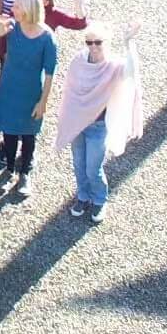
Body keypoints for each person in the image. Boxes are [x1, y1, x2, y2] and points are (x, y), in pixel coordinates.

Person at [54, 21, 143, 223]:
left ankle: (99, 200)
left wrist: (129, 43)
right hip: (77, 123)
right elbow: (71, 91)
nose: (93, 46)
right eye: (89, 42)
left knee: (93, 168)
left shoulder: (114, 66)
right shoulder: (79, 61)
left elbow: (131, 72)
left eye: (98, 42)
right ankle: (83, 196)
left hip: (98, 127)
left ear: (107, 43)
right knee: (78, 164)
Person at [0, 0, 57, 197]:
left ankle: (25, 173)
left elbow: (50, 72)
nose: (12, 9)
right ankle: (8, 169)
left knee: (28, 135)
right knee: (9, 132)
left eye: (16, 5)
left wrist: (43, 101)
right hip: (9, 90)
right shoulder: (11, 27)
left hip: (30, 92)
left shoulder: (47, 38)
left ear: (27, 9)